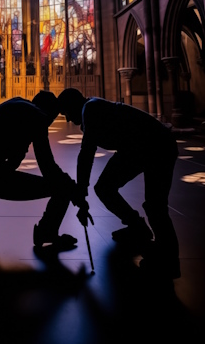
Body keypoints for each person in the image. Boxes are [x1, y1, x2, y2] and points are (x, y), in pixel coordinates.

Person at [58, 88, 180, 278]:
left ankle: (169, 262)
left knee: (155, 206)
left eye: (65, 112)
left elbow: (86, 153)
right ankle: (137, 228)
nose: (66, 120)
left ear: (73, 105)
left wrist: (81, 190)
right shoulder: (91, 108)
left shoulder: (90, 109)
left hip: (156, 145)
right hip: (137, 147)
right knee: (105, 187)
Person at [0, 91, 84, 249]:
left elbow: (12, 161)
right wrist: (72, 189)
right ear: (51, 112)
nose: (48, 125)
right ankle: (46, 232)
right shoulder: (38, 116)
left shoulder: (19, 107)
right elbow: (47, 167)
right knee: (62, 188)